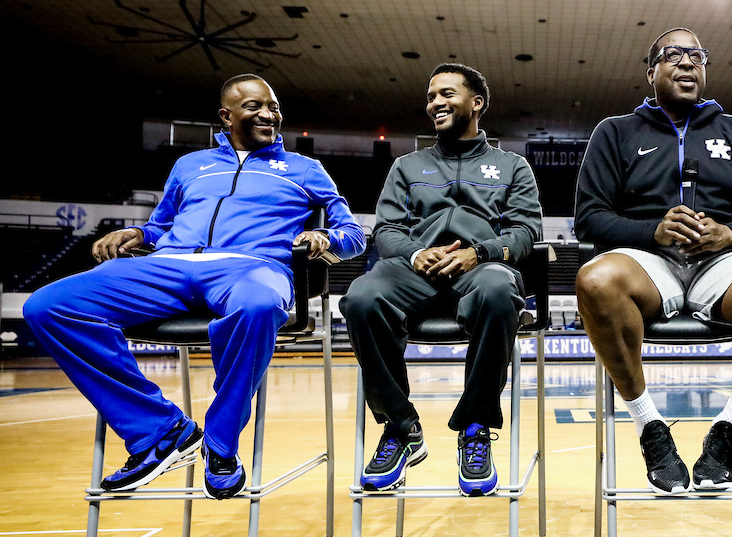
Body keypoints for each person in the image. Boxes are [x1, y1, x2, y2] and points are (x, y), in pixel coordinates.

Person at [23, 74, 366, 499]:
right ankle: (160, 432)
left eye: (274, 107)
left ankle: (220, 444)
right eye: (255, 106)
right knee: (48, 306)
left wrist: (326, 238)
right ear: (226, 116)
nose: (269, 114)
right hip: (167, 265)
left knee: (258, 306)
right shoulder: (189, 165)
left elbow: (354, 235)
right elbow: (160, 225)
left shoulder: (306, 169)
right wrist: (141, 235)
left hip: (252, 267)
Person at [574, 28, 732, 495]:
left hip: (723, 263)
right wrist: (651, 230)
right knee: (595, 279)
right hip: (645, 261)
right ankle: (649, 426)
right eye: (673, 55)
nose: (687, 62)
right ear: (651, 72)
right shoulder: (615, 131)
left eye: (696, 55)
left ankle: (729, 427)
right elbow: (590, 219)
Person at [341, 63, 542, 497]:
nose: (435, 103)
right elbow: (388, 230)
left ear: (477, 103)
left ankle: (474, 426)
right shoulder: (406, 166)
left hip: (481, 271)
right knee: (360, 297)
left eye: (447, 94)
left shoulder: (512, 166)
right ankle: (400, 426)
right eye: (431, 96)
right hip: (415, 272)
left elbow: (527, 232)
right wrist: (415, 252)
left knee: (499, 289)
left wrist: (480, 253)